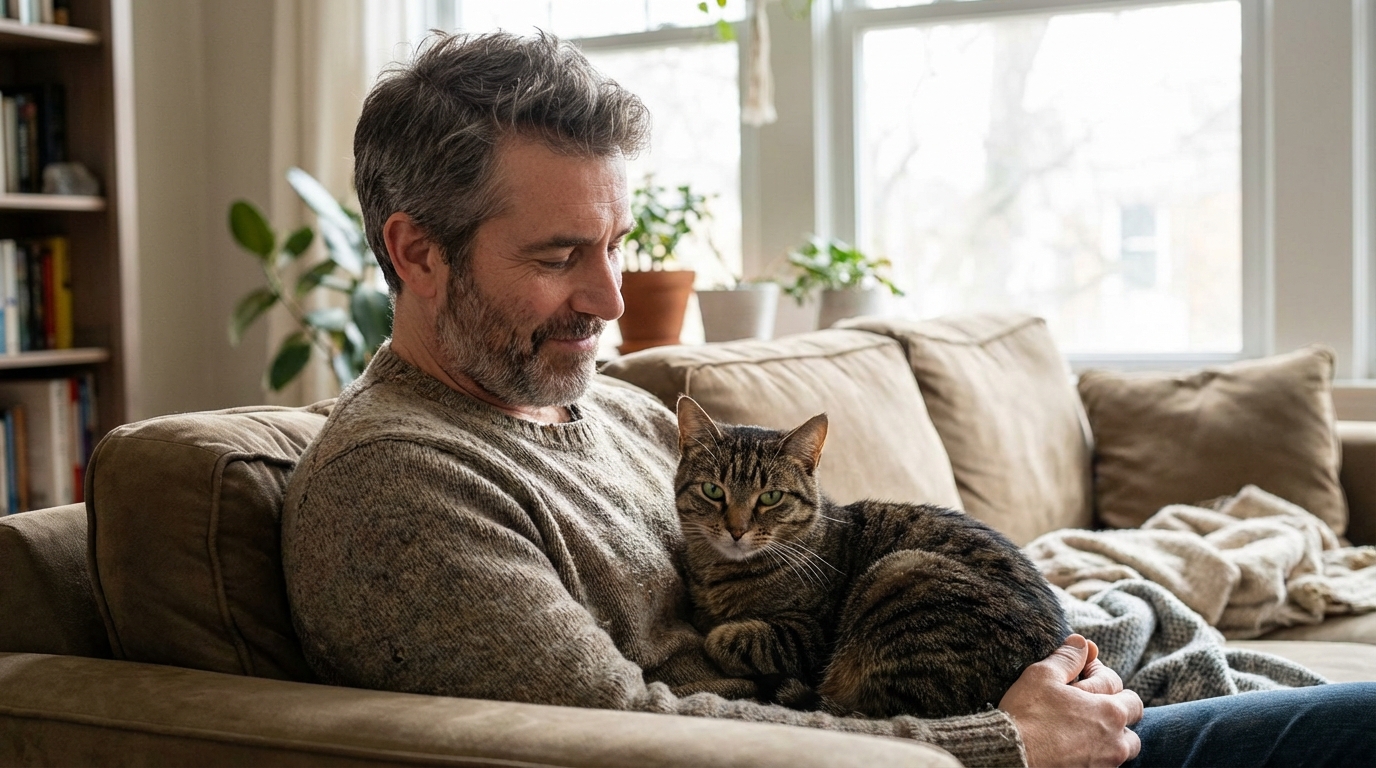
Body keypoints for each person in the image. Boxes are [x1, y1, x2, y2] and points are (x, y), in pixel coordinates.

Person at [280, 31, 1376, 768]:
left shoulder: (604, 406)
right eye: (561, 253)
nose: (610, 297)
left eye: (615, 245)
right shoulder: (399, 486)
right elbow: (627, 739)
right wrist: (1003, 738)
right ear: (416, 251)